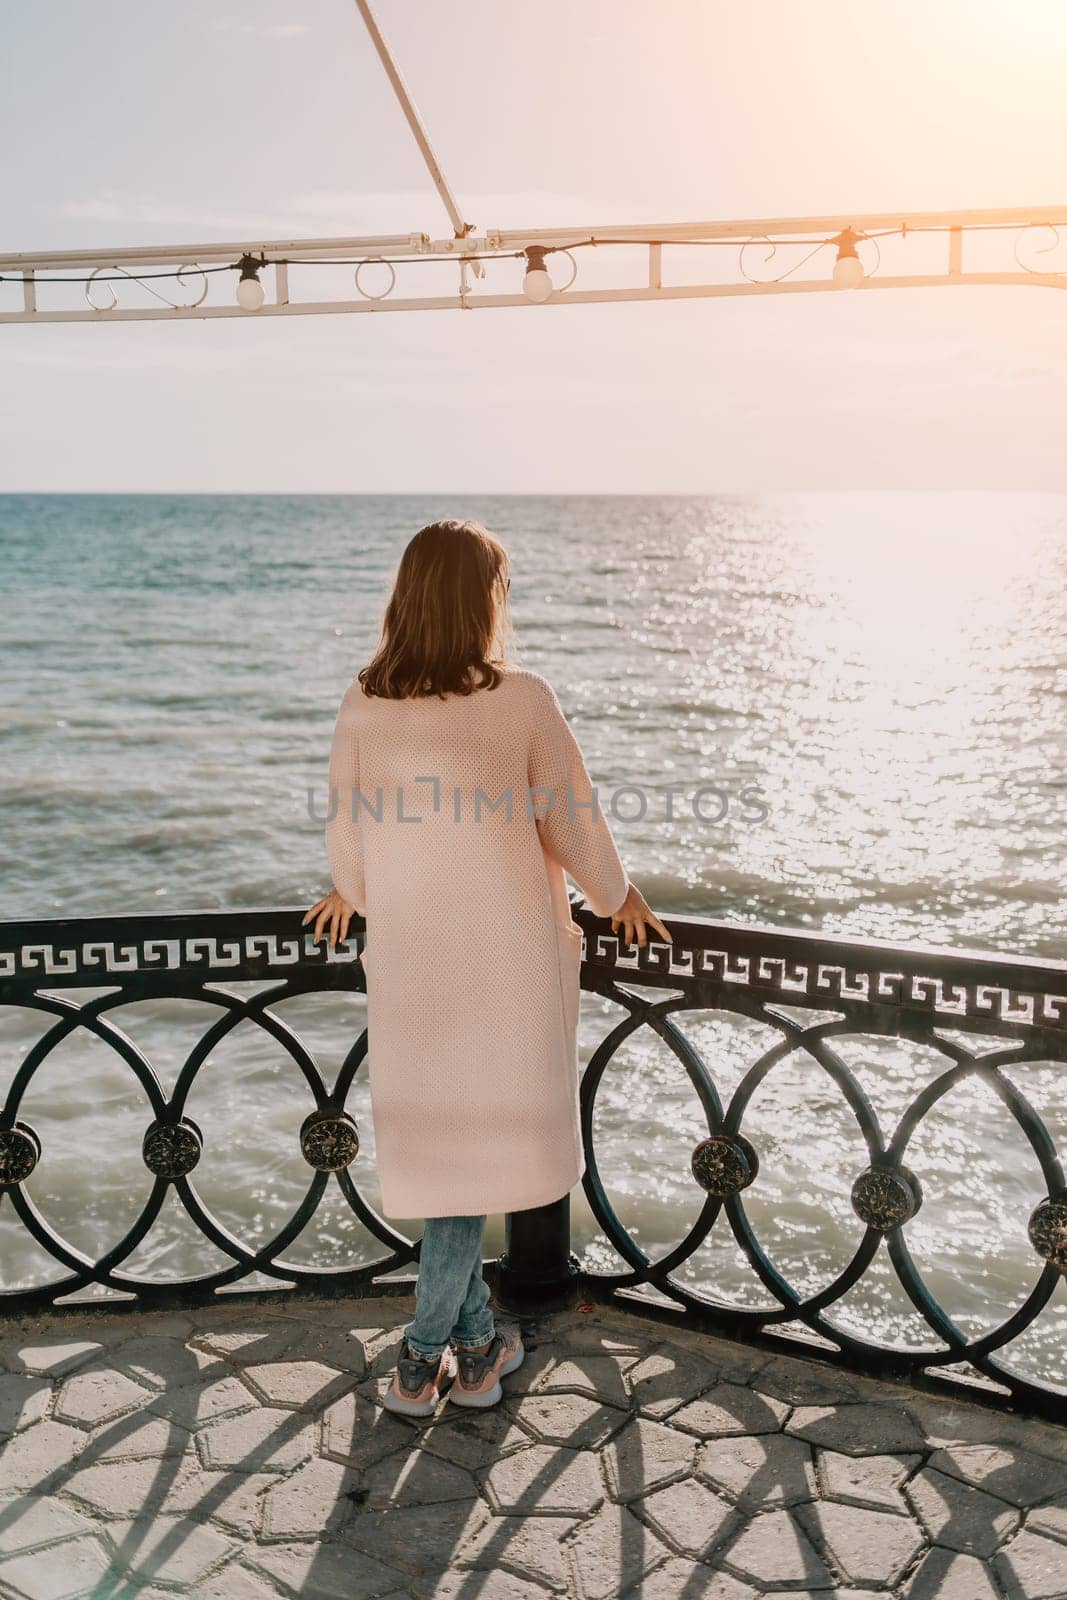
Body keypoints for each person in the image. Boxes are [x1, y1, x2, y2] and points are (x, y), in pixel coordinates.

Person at [304, 519, 670, 1418]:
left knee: (446, 1155)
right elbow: (570, 817)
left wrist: (348, 891)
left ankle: (477, 1350)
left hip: (415, 961)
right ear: (484, 599)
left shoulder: (363, 699)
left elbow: (348, 832)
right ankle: (421, 1359)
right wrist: (616, 893)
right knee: (471, 1163)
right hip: (501, 962)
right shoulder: (522, 699)